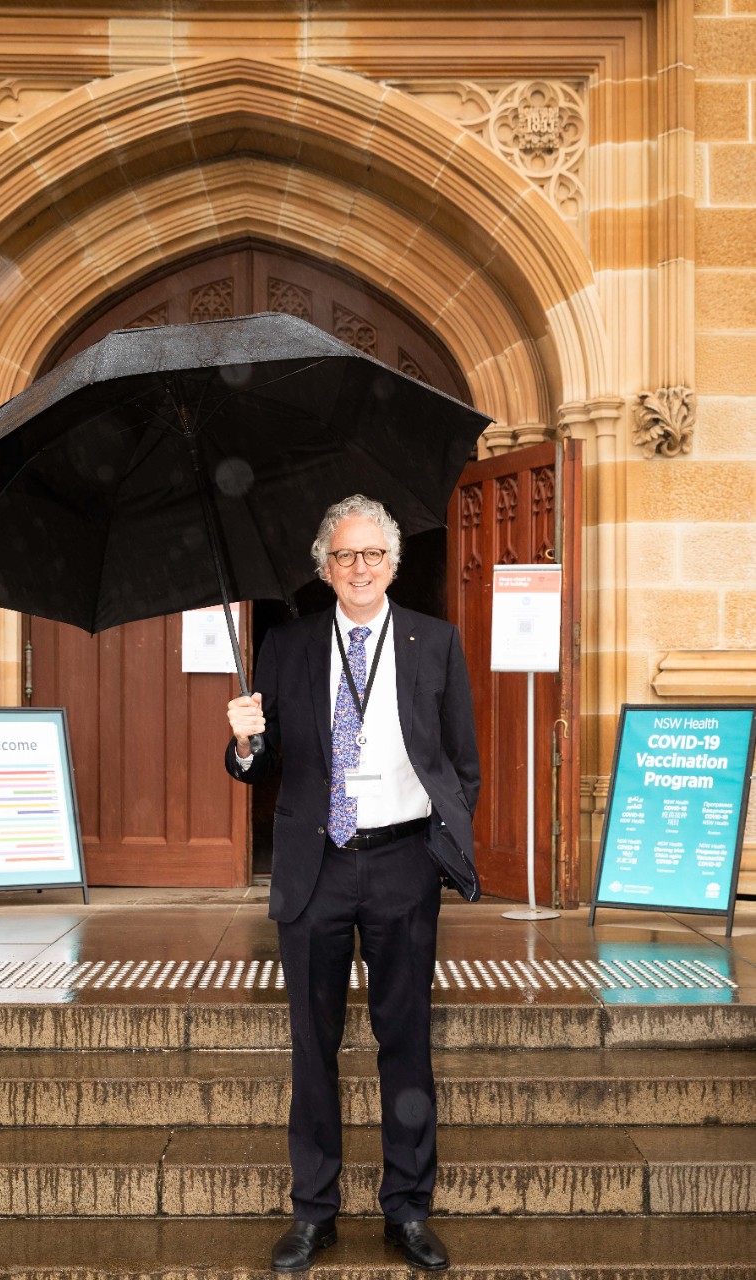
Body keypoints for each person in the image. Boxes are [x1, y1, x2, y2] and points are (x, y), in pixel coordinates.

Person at [225, 494, 480, 1273]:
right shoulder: (289, 646)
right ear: (324, 568)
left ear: (393, 564)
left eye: (372, 554)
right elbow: (258, 768)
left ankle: (406, 1211)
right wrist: (242, 742)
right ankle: (315, 1213)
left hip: (403, 864)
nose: (359, 567)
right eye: (344, 555)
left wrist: (437, 847)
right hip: (317, 867)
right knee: (313, 1046)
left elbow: (461, 761)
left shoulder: (434, 641)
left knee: (405, 1045)